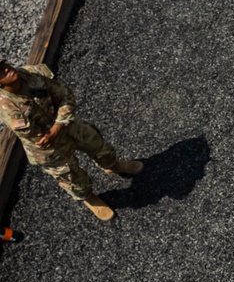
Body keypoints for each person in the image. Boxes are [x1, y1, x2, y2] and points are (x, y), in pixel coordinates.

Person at [0, 58, 142, 222]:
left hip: (64, 123)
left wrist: (59, 124)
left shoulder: (31, 74)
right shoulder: (6, 108)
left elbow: (66, 95)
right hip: (47, 145)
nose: (6, 68)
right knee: (71, 176)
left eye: (4, 64)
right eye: (0, 71)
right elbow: (36, 136)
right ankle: (89, 197)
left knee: (98, 145)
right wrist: (55, 129)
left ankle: (112, 165)